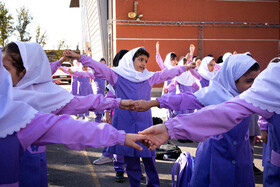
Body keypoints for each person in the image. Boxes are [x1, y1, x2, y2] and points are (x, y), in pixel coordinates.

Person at [0, 49, 149, 186]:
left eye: (6, 69)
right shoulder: (11, 104)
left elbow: (72, 126)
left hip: (30, 170)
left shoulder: (20, 110)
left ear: (25, 72)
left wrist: (118, 130)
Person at [64, 47, 196, 187]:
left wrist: (185, 67)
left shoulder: (149, 77)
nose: (144, 63)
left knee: (149, 160)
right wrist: (78, 57)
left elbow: (167, 74)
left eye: (145, 60)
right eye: (140, 59)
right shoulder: (116, 76)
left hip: (145, 125)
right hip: (125, 125)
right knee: (131, 163)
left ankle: (154, 185)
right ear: (130, 60)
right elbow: (97, 65)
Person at [140, 57, 280, 187]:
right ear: (233, 79)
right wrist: (156, 102)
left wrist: (264, 128)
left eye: (257, 81)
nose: (254, 86)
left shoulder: (254, 98)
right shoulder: (213, 93)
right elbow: (185, 99)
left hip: (240, 154)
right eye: (249, 81)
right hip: (214, 153)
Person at [93, 50, 129, 183]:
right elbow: (110, 96)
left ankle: (132, 168)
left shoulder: (137, 76)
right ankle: (119, 169)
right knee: (118, 140)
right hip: (118, 115)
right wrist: (107, 112)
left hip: (133, 116)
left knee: (132, 142)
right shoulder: (116, 76)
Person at [94, 58, 107, 122]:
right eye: (101, 64)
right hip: (98, 96)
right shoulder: (95, 72)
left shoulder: (106, 72)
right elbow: (85, 73)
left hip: (104, 95)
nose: (103, 66)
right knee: (98, 115)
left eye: (104, 64)